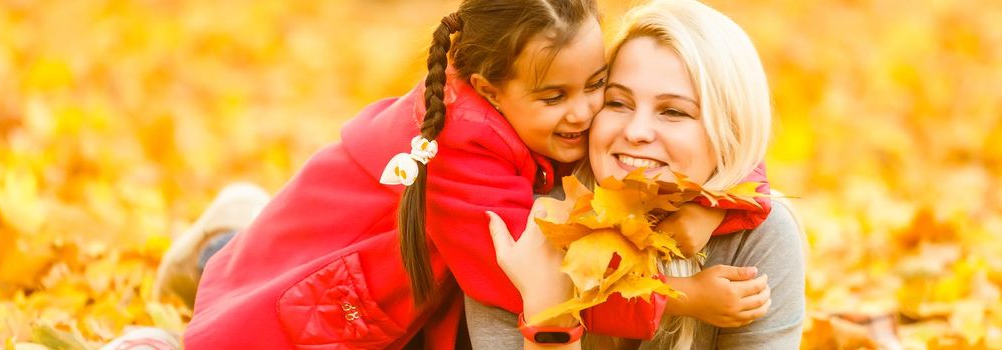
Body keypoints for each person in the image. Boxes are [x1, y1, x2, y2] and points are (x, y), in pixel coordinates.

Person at [173, 0, 772, 348]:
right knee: (249, 316)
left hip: (407, 273)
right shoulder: (464, 146)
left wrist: (712, 205)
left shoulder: (564, 103)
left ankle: (229, 235)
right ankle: (214, 255)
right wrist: (681, 298)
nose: (589, 113)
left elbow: (715, 131)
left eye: (598, 88)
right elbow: (524, 279)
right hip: (340, 279)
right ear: (491, 90)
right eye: (557, 95)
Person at [477, 0, 805, 348]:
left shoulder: (758, 235)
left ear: (730, 132)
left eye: (673, 111)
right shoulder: (531, 225)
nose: (636, 132)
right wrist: (551, 320)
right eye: (618, 103)